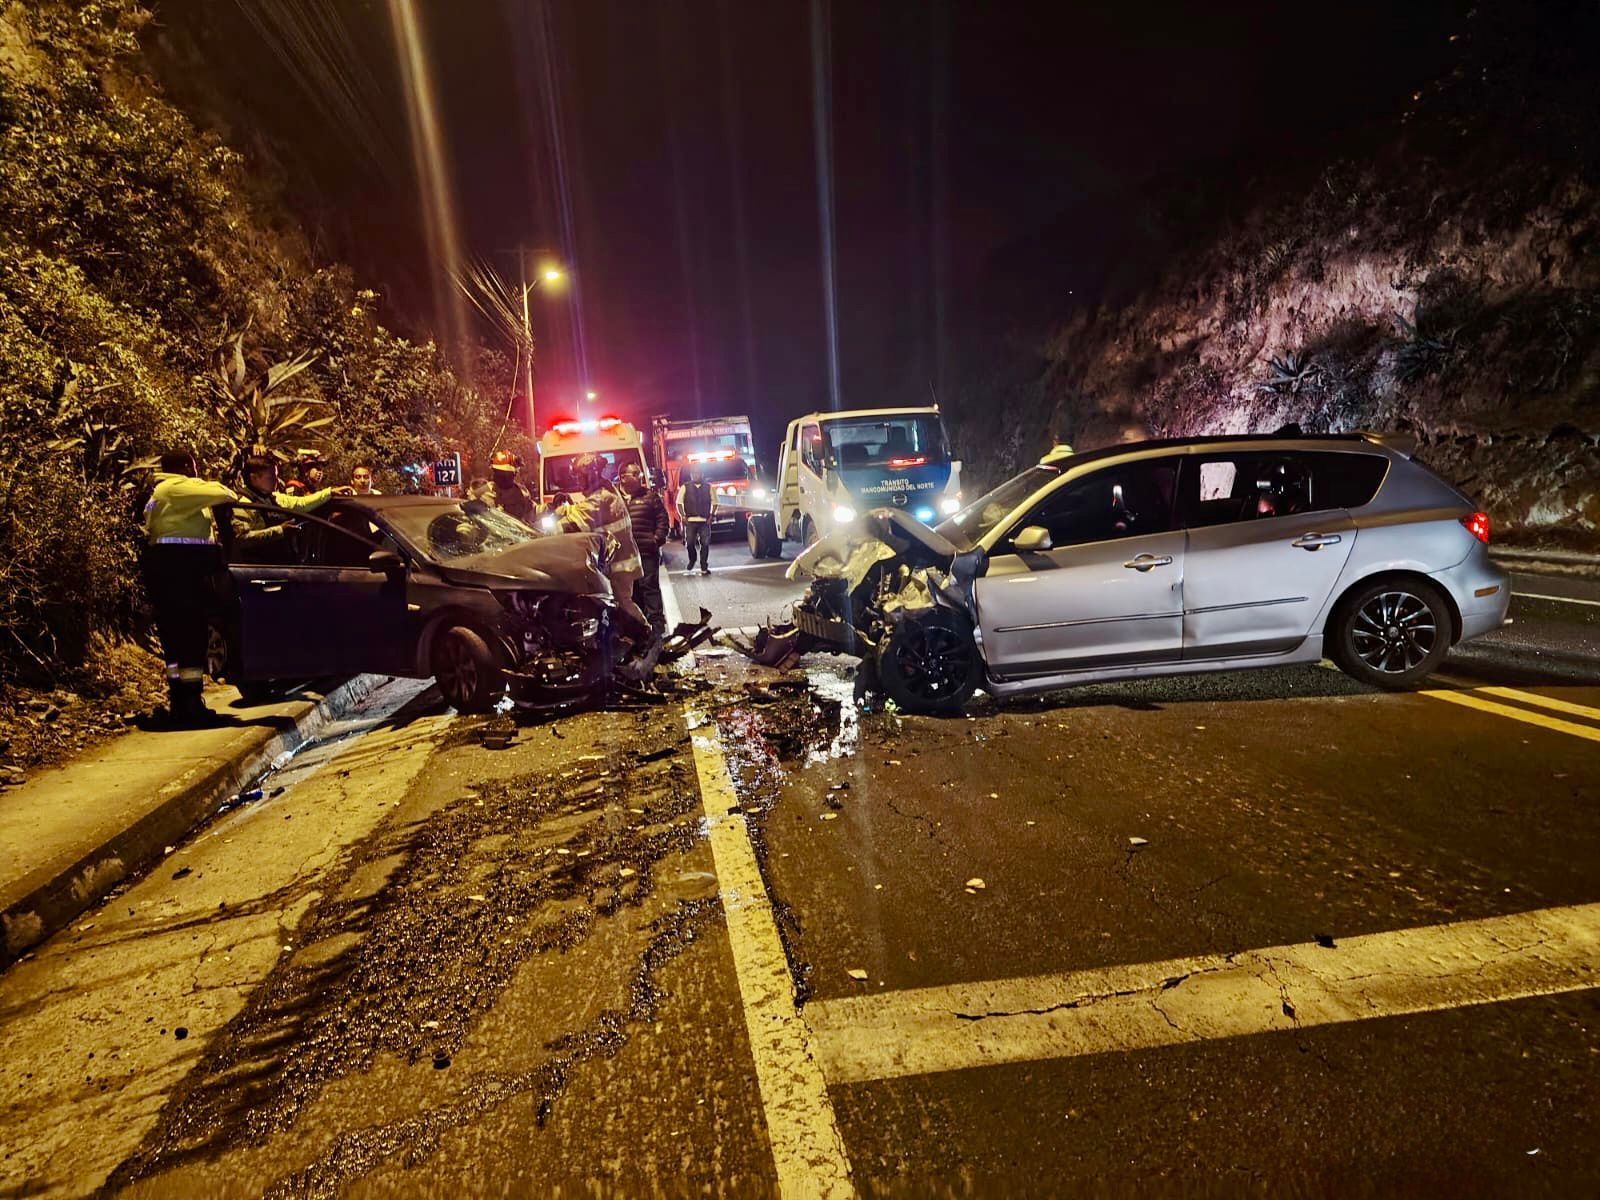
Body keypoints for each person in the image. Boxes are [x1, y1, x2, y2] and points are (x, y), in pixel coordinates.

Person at [141, 451, 235, 726]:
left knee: (175, 644)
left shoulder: (162, 492)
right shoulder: (177, 487)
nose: (196, 471)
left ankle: (180, 701)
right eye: (194, 466)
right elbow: (223, 492)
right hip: (181, 572)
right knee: (192, 638)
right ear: (185, 466)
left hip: (168, 572)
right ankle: (191, 704)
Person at [558, 453, 648, 630]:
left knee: (623, 605)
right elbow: (584, 509)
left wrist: (539, 532)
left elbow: (574, 523)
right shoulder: (605, 491)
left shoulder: (601, 498)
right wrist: (563, 508)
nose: (579, 481)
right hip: (617, 563)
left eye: (580, 476)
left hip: (619, 565)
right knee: (614, 606)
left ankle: (646, 638)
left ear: (590, 475)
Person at [232, 454, 348, 561]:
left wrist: (329, 493)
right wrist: (280, 530)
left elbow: (301, 503)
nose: (276, 481)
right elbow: (241, 539)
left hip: (279, 566)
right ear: (254, 478)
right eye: (271, 477)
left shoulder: (274, 498)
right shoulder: (244, 503)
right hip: (257, 569)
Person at [618, 462, 670, 636]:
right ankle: (638, 629)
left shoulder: (650, 497)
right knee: (631, 592)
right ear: (623, 477)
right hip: (624, 556)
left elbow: (663, 520)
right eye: (635, 474)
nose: (639, 477)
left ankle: (657, 628)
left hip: (646, 552)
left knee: (650, 587)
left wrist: (656, 540)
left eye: (639, 473)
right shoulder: (614, 500)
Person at [677, 463, 716, 575]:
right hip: (690, 521)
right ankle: (692, 559)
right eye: (694, 473)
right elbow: (679, 503)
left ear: (702, 474)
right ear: (691, 475)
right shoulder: (685, 487)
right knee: (689, 543)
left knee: (705, 543)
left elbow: (715, 502)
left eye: (698, 473)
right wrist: (682, 516)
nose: (696, 475)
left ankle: (704, 565)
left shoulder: (708, 487)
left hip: (704, 521)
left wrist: (711, 516)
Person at [489, 450, 534, 523]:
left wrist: (550, 507)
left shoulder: (522, 492)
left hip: (519, 533)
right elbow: (471, 518)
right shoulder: (484, 494)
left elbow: (532, 511)